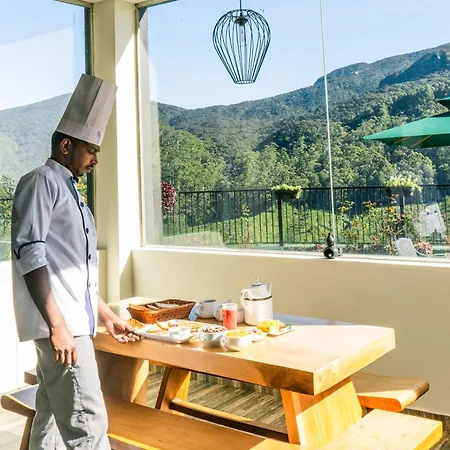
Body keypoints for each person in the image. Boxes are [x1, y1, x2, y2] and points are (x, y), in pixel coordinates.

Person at [11, 74, 138, 449]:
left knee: (50, 420)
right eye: (91, 150)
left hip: (72, 323)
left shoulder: (72, 193)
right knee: (88, 425)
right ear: (66, 145)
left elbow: (72, 271)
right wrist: (58, 327)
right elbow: (30, 254)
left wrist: (106, 315)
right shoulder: (41, 181)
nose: (96, 159)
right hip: (63, 327)